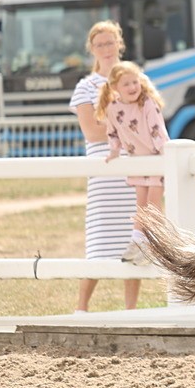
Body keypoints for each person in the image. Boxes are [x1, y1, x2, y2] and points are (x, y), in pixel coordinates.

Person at [67, 21, 141, 312]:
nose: (106, 49)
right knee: (98, 241)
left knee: (133, 240)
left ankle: (130, 311)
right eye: (100, 44)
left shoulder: (134, 78)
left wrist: (121, 130)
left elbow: (148, 116)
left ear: (119, 44)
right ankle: (81, 308)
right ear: (92, 49)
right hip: (103, 172)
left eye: (110, 42)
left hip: (134, 167)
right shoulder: (85, 87)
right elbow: (91, 131)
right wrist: (126, 129)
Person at [95, 61, 169, 266]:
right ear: (115, 87)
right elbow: (112, 132)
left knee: (153, 203)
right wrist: (114, 151)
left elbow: (158, 130)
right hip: (137, 161)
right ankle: (137, 241)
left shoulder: (147, 103)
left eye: (135, 82)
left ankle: (154, 244)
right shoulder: (113, 108)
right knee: (141, 204)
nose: (132, 87)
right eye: (126, 84)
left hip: (156, 158)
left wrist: (165, 156)